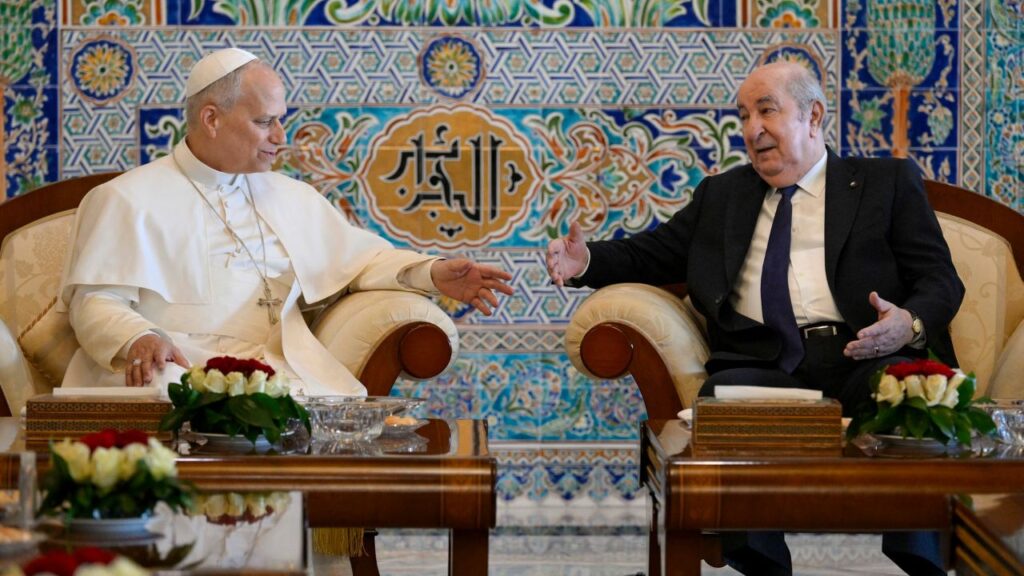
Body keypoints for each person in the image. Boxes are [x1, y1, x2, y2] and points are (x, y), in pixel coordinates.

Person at [547, 60, 962, 576]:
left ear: (813, 116)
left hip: (865, 352)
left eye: (767, 111)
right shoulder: (724, 196)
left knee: (911, 393)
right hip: (766, 362)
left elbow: (940, 279)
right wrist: (585, 262)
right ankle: (763, 566)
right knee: (722, 399)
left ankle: (924, 563)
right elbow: (650, 253)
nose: (752, 129)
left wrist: (908, 323)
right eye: (744, 115)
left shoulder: (885, 182)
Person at [58, 47, 513, 396]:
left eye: (281, 120)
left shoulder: (290, 196)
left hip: (275, 365)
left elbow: (359, 262)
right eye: (264, 122)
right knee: (173, 391)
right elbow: (94, 301)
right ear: (211, 118)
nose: (281, 137)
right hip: (178, 364)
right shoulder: (126, 198)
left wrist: (432, 272)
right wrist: (139, 337)